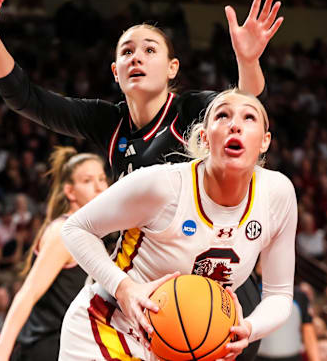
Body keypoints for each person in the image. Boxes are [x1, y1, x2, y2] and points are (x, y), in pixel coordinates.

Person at [0, 0, 283, 360]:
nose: (136, 57)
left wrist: (248, 62)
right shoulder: (107, 122)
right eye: (127, 51)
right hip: (149, 287)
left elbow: (243, 108)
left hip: (217, 280)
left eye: (149, 49)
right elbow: (28, 99)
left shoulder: (193, 111)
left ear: (172, 68)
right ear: (115, 72)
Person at [58, 89, 297, 360]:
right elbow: (75, 228)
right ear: (204, 138)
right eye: (222, 115)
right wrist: (123, 287)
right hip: (112, 328)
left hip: (186, 347)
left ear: (265, 141)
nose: (235, 124)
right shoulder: (164, 185)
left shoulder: (278, 194)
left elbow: (279, 294)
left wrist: (250, 328)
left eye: (249, 117)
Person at [0, 147, 108, 360]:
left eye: (102, 179)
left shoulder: (95, 232)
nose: (99, 187)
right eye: (88, 181)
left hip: (70, 345)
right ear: (70, 191)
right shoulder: (63, 232)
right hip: (43, 347)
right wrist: (1, 351)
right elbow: (28, 292)